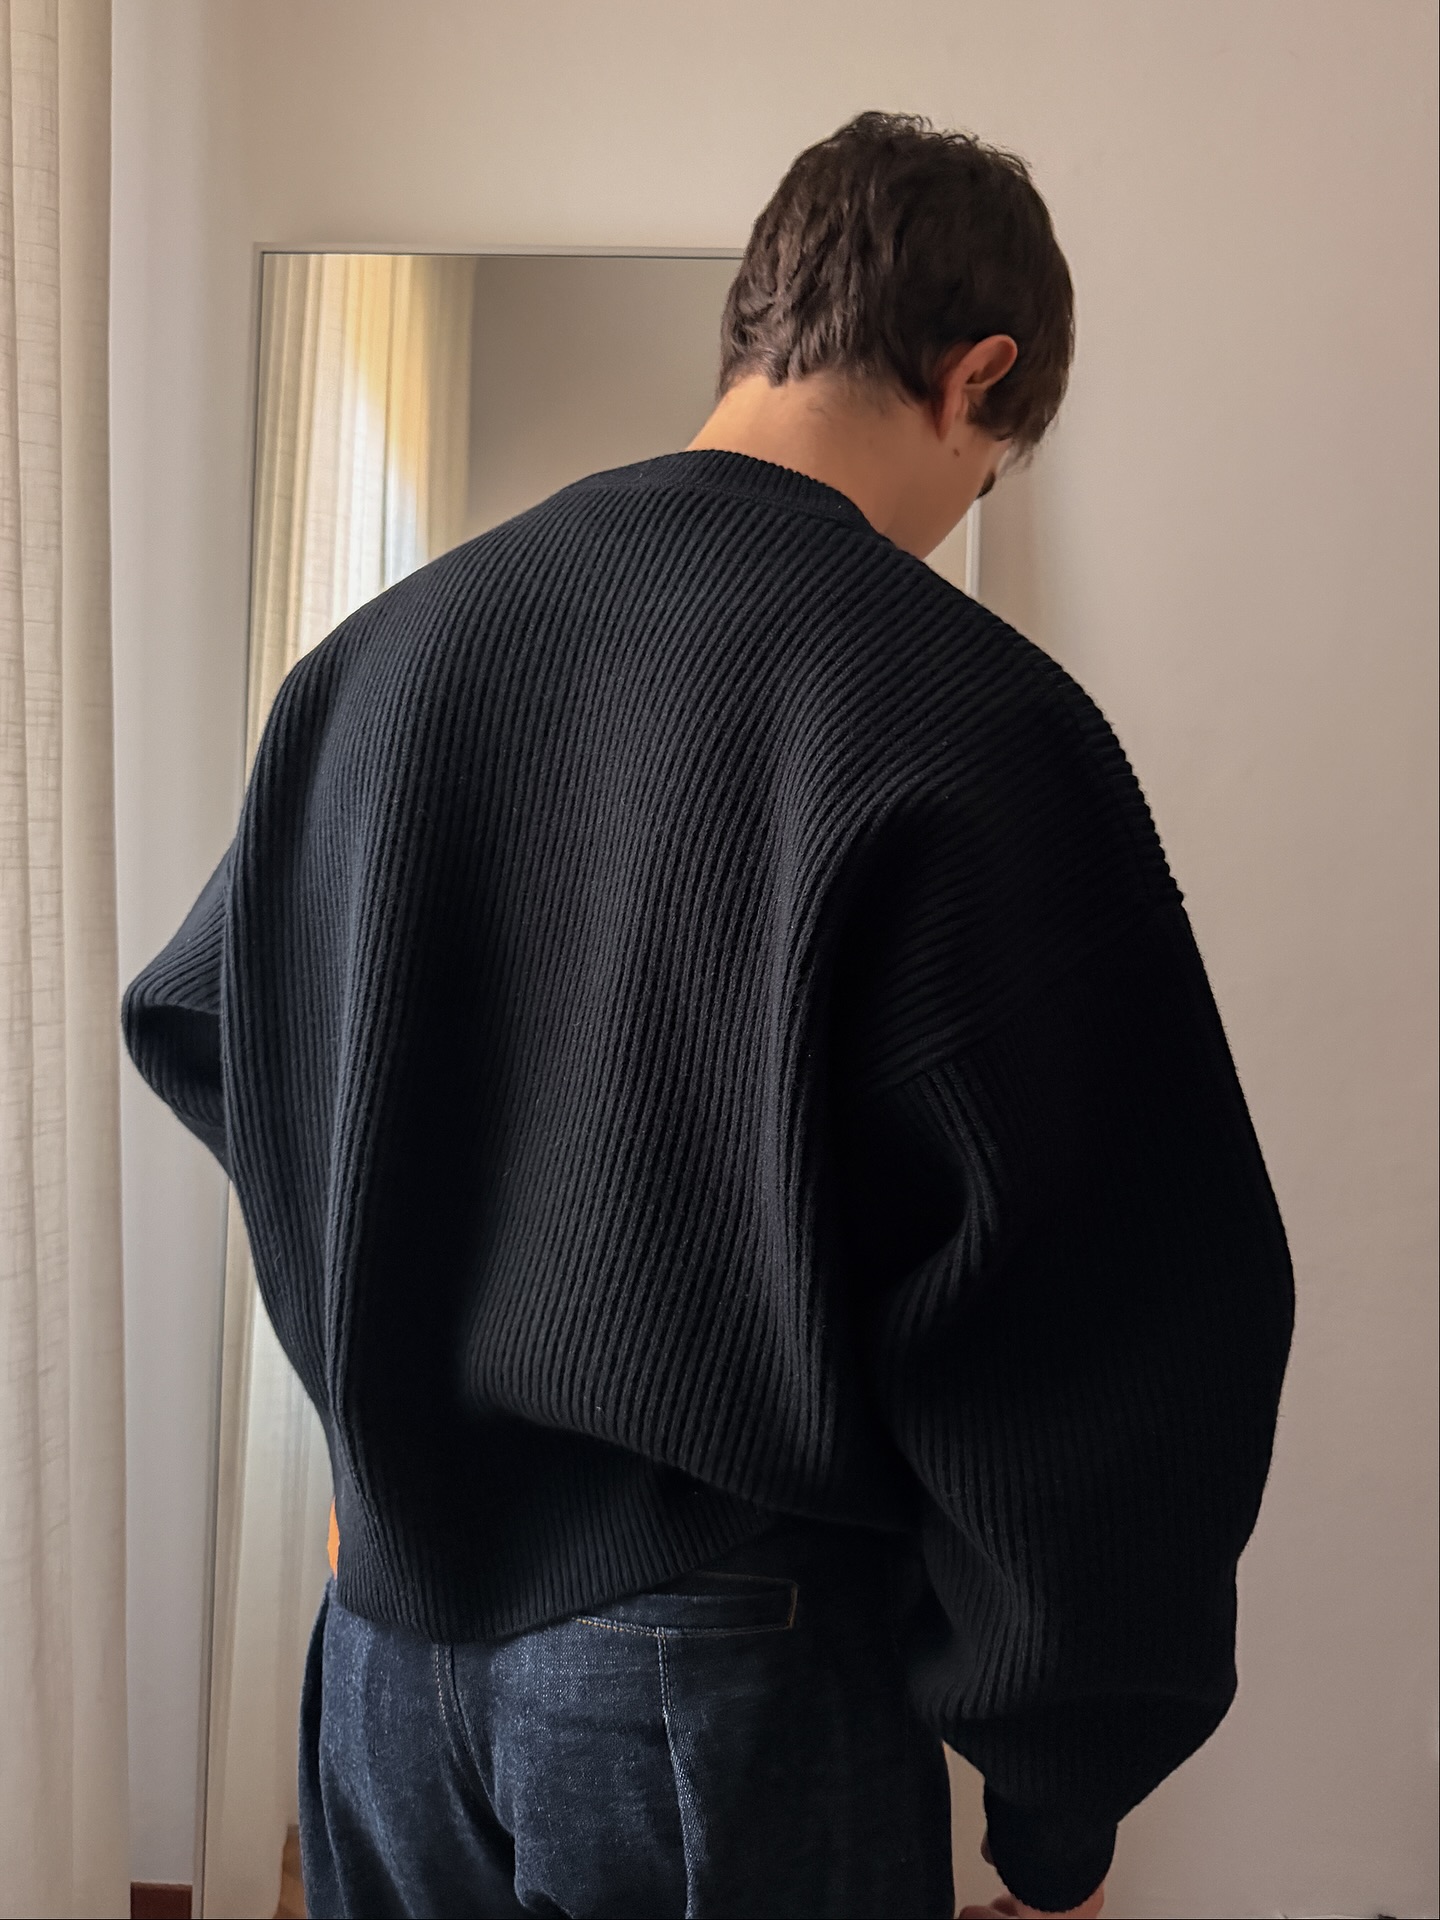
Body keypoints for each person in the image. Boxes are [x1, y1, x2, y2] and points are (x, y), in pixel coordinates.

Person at [121, 111, 1294, 1919]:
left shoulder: (386, 658)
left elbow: (210, 1024)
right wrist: (1060, 1779)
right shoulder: (966, 718)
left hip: (384, 1658)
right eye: (988, 470)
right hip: (716, 1675)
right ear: (976, 378)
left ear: (758, 326)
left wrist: (385, 1400)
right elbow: (1115, 1299)